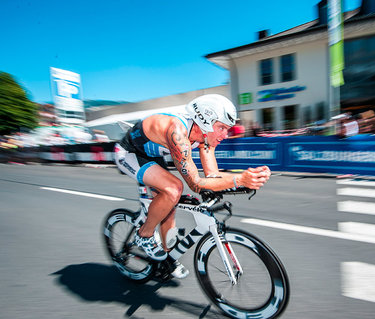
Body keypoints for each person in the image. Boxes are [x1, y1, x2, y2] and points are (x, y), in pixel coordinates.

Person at [114, 94, 271, 279]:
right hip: (129, 152)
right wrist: (239, 180)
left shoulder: (206, 138)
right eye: (221, 127)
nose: (225, 135)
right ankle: (144, 234)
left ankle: (166, 259)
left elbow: (212, 177)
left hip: (152, 154)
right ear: (204, 122)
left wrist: (246, 181)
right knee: (173, 189)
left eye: (227, 129)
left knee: (168, 207)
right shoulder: (178, 132)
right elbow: (196, 183)